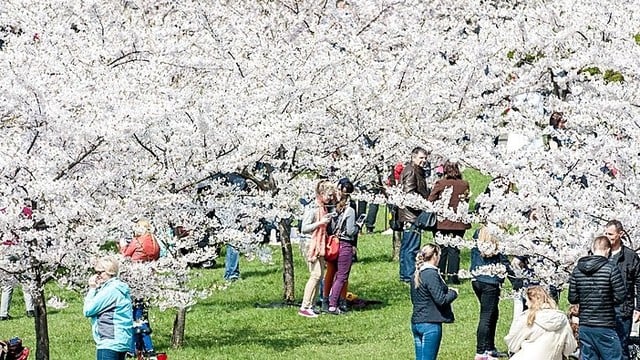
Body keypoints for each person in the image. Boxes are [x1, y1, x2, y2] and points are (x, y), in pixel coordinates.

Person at [568, 236, 626, 360]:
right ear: (608, 250)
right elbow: (621, 296)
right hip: (605, 324)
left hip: (585, 325)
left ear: (593, 249)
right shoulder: (611, 269)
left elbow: (572, 298)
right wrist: (606, 301)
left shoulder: (578, 270)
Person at [470, 226, 513, 360]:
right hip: (490, 282)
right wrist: (515, 280)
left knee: (492, 313)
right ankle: (481, 351)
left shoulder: (479, 233)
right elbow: (504, 260)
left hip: (477, 279)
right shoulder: (497, 236)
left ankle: (489, 348)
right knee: (487, 317)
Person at [410, 244, 458, 360]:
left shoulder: (416, 274)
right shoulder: (431, 274)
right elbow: (441, 300)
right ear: (435, 256)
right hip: (430, 324)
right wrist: (453, 293)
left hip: (417, 322)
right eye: (439, 255)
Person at [505, 286, 577, 360]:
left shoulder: (527, 318)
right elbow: (570, 347)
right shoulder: (562, 319)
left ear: (532, 301)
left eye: (527, 300)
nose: (526, 304)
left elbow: (512, 344)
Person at [428, 160, 470, 284]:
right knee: (455, 250)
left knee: (442, 249)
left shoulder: (441, 183)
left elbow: (430, 200)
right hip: (459, 222)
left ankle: (440, 275)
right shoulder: (464, 184)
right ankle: (453, 276)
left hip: (443, 222)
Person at [83, 256, 133, 360]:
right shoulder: (120, 288)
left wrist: (92, 288)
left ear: (109, 271)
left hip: (109, 342)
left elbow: (88, 310)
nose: (97, 276)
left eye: (99, 272)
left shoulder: (111, 290)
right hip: (121, 341)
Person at [298, 180, 335, 318]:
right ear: (321, 194)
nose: (330, 198)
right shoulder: (313, 208)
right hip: (310, 243)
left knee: (319, 276)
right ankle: (305, 306)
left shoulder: (322, 208)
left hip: (318, 243)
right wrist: (320, 222)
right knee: (315, 275)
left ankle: (311, 305)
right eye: (329, 195)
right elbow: (304, 228)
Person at [604, 219, 640, 360]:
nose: (608, 237)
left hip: (623, 309)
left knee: (621, 346)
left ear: (620, 234)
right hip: (602, 309)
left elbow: (638, 281)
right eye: (606, 233)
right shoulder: (599, 253)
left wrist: (638, 308)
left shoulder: (630, 256)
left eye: (611, 234)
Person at [325, 179, 359, 315]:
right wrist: (358, 227)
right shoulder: (350, 210)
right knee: (342, 276)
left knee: (331, 273)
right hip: (345, 244)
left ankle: (326, 299)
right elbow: (351, 231)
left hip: (334, 243)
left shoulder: (334, 208)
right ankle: (334, 304)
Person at [398, 147, 430, 283]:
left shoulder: (416, 170)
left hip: (410, 215)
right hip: (411, 215)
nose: (424, 161)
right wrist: (422, 205)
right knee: (411, 247)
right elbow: (409, 194)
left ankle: (405, 274)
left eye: (425, 158)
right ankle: (409, 275)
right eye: (421, 158)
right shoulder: (411, 171)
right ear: (413, 157)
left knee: (407, 246)